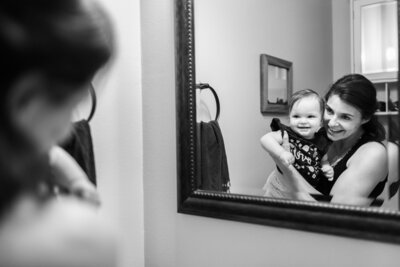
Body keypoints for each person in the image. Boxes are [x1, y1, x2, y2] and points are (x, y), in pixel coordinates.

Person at [0, 0, 116, 266]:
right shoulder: (76, 244)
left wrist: (76, 180)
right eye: (71, 106)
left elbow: (51, 154)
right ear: (26, 99)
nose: (65, 134)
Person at [274, 74, 388, 206]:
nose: (332, 123)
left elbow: (333, 213)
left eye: (345, 117)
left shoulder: (373, 154)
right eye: (329, 110)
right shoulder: (320, 135)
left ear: (365, 118)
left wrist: (285, 167)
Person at [260, 89, 333, 198]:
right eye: (296, 116)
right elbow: (265, 139)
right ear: (289, 117)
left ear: (321, 121)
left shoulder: (321, 140)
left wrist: (326, 167)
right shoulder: (287, 134)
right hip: (281, 189)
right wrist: (281, 153)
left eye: (310, 116)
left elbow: (323, 159)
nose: (303, 121)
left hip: (306, 190)